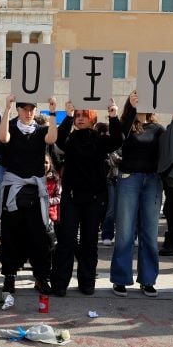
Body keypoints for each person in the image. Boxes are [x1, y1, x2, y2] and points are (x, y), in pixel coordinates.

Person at [51, 98, 122, 296]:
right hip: (72, 197)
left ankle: (87, 282)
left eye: (84, 115)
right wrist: (68, 115)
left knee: (90, 242)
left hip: (94, 198)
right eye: (78, 116)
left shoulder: (99, 139)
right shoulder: (70, 139)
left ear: (92, 119)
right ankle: (60, 283)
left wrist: (114, 115)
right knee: (66, 240)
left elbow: (118, 140)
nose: (80, 119)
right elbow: (58, 139)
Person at [0, 94, 55, 297]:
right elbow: (3, 138)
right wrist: (7, 107)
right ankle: (10, 276)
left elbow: (53, 139)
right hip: (14, 190)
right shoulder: (11, 128)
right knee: (10, 236)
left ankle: (40, 277)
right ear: (19, 110)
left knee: (39, 238)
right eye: (24, 109)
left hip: (35, 192)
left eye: (32, 109)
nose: (28, 113)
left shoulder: (41, 131)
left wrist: (54, 111)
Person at [109, 91, 166, 297]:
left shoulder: (158, 129)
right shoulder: (126, 124)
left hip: (152, 180)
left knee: (150, 232)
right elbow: (118, 140)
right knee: (125, 231)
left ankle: (148, 280)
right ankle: (120, 279)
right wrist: (131, 110)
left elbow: (167, 153)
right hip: (128, 178)